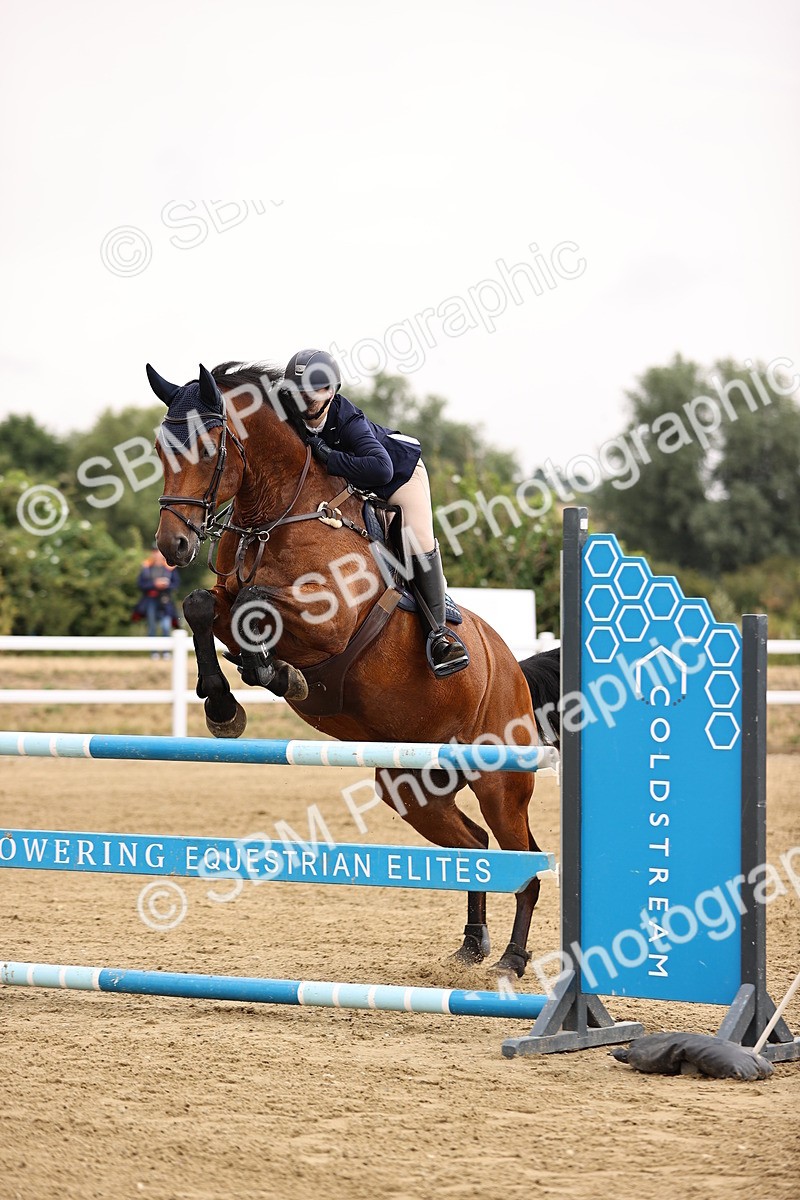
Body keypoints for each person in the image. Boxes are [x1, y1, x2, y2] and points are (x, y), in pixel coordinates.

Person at [280, 348, 469, 678]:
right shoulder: (288, 408)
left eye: (310, 394)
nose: (302, 401)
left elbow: (381, 470)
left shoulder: (348, 420)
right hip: (354, 484)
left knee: (415, 538)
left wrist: (328, 455)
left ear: (330, 392)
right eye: (297, 392)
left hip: (399, 475)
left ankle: (439, 635)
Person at [135, 549, 180, 656]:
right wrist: (154, 584)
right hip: (151, 600)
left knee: (166, 626)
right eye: (155, 552)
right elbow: (140, 584)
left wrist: (166, 585)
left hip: (165, 601)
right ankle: (153, 652)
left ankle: (166, 652)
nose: (157, 554)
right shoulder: (147, 567)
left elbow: (176, 584)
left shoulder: (170, 568)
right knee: (152, 627)